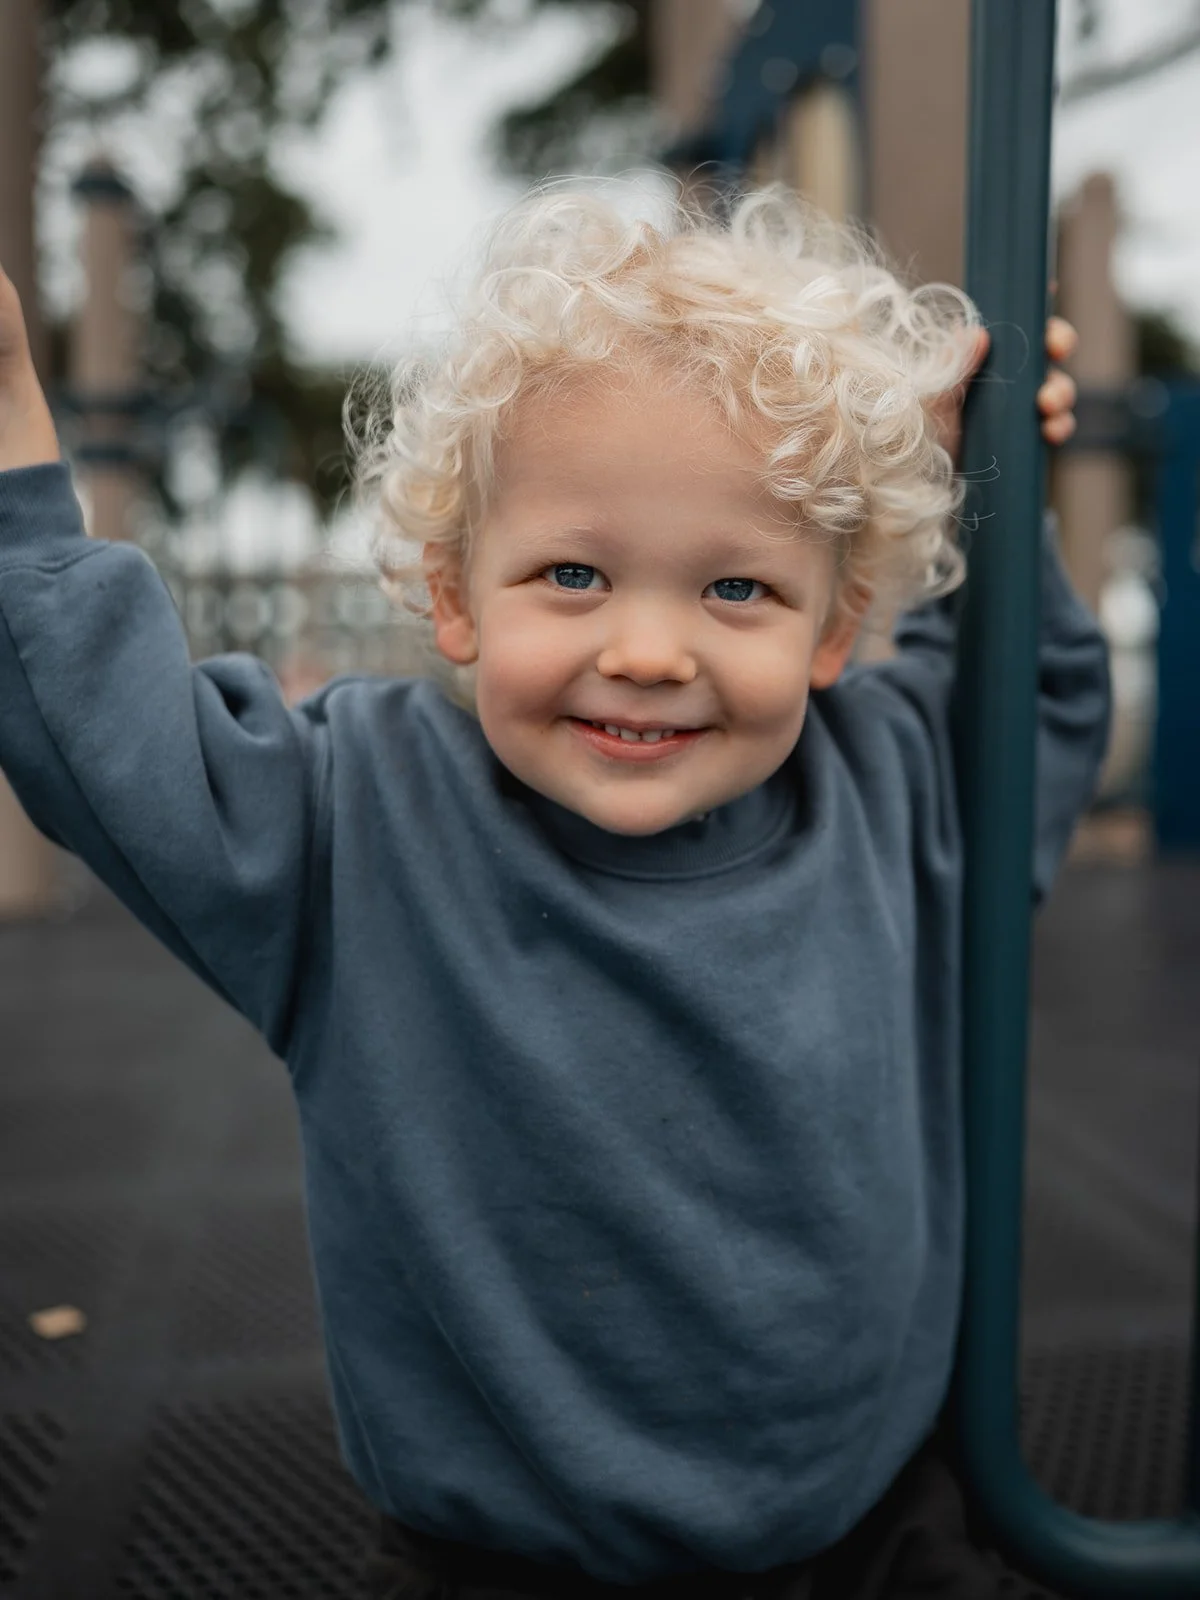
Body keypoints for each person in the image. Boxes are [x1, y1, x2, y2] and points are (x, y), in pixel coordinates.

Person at [0, 179, 1106, 1599]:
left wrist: (987, 495)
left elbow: (1040, 692)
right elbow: (106, 739)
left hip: (872, 1532)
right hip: (506, 1563)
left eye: (738, 592)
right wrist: (19, 470)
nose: (648, 649)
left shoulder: (894, 791)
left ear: (839, 625)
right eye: (573, 574)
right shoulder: (359, 825)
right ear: (455, 591)